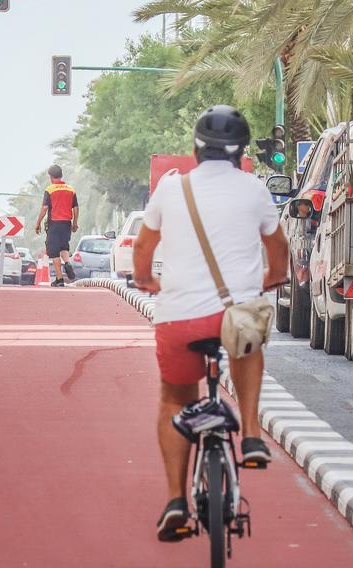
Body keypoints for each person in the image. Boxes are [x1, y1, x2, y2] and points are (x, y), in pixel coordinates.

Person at [132, 105, 290, 542]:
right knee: (247, 342)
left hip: (179, 319)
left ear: (196, 149)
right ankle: (253, 434)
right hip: (235, 314)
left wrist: (146, 280)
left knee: (173, 401)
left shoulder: (171, 188)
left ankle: (174, 501)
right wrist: (271, 279)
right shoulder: (255, 189)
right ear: (242, 152)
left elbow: (143, 247)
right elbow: (278, 249)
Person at [34, 165, 79, 287]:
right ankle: (67, 263)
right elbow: (75, 208)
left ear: (50, 176)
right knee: (64, 246)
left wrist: (38, 223)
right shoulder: (71, 189)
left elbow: (45, 208)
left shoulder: (50, 190)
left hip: (54, 223)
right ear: (61, 175)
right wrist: (74, 223)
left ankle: (59, 279)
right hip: (66, 223)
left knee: (54, 252)